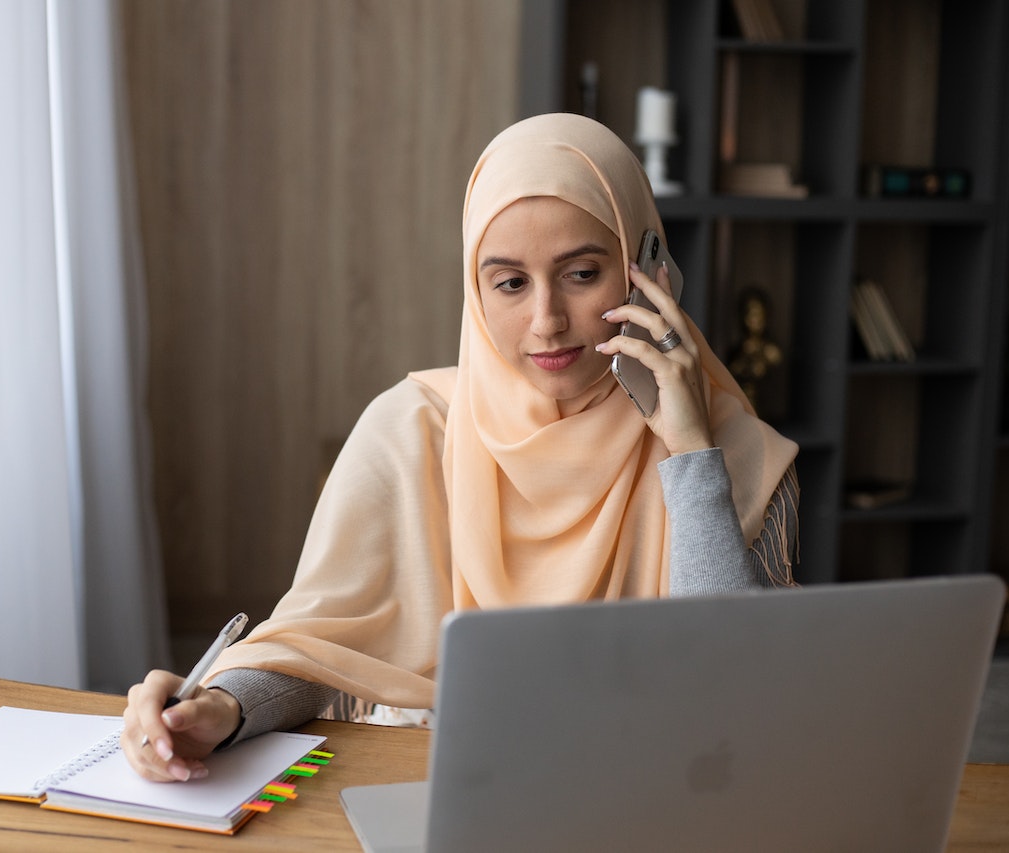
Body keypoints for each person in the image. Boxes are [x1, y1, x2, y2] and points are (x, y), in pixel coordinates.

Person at [122, 113, 800, 783]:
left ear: (647, 267)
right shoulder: (412, 430)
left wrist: (687, 452)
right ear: (475, 294)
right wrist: (221, 706)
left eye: (582, 273)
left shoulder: (734, 458)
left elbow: (732, 701)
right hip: (442, 797)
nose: (546, 321)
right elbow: (324, 645)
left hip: (648, 801)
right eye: (510, 282)